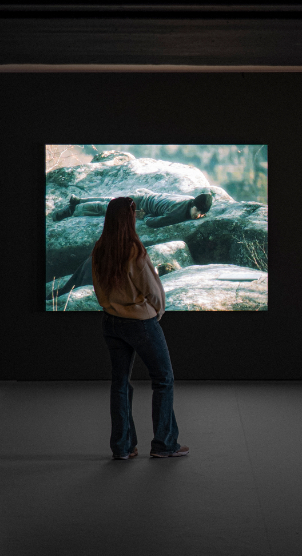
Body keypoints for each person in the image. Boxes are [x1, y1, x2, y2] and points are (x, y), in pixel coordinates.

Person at [91, 197, 189, 460]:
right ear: (129, 218)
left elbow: (99, 290)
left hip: (110, 322)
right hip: (140, 323)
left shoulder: (100, 249)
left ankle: (122, 447)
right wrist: (155, 312)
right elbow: (152, 291)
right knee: (163, 379)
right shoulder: (134, 251)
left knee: (120, 383)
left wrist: (111, 306)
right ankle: (164, 444)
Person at [54, 190, 214, 227]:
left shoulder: (188, 200)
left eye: (202, 214)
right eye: (197, 211)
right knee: (107, 207)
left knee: (113, 200)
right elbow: (153, 223)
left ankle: (78, 200)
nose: (198, 215)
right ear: (193, 204)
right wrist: (144, 216)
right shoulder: (178, 213)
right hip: (143, 206)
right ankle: (72, 210)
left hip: (147, 196)